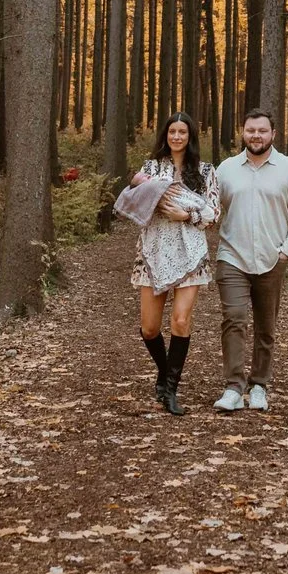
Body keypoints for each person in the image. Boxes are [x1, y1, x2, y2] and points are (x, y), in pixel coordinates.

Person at [115, 113, 218, 416]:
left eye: (182, 132)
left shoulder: (206, 171)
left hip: (191, 253)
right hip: (153, 250)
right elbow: (134, 200)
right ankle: (164, 374)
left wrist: (186, 216)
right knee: (149, 328)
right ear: (165, 135)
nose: (176, 136)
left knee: (181, 322)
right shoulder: (150, 168)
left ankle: (170, 388)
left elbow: (213, 212)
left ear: (190, 136)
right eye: (172, 131)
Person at [211, 108, 288, 413]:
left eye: (262, 131)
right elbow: (210, 211)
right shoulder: (226, 169)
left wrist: (285, 253)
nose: (256, 135)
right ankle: (233, 387)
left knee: (266, 326)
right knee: (234, 319)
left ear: (273, 134)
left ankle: (258, 385)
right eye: (251, 130)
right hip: (232, 257)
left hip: (272, 259)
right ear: (243, 132)